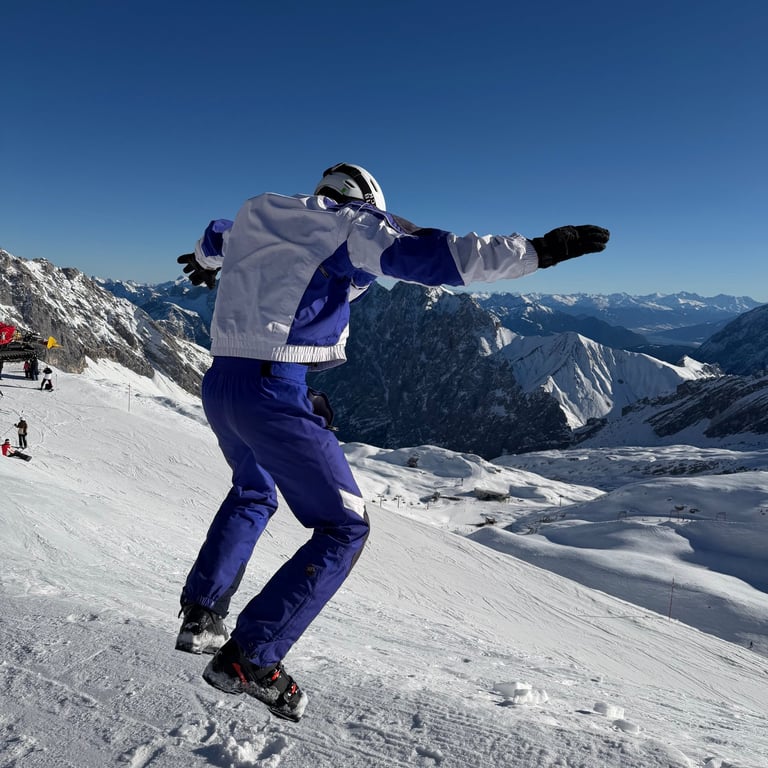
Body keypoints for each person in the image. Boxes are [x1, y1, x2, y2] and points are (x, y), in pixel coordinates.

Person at [175, 162, 610, 721]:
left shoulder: (258, 216)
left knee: (253, 492)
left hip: (221, 383)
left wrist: (206, 260)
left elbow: (216, 236)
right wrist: (538, 251)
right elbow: (440, 256)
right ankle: (252, 657)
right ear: (364, 202)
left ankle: (202, 614)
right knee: (344, 527)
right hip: (271, 388)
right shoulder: (351, 225)